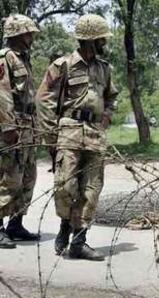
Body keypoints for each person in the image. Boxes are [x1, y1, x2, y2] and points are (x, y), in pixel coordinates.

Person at [36, 14, 118, 261]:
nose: (105, 41)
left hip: (95, 133)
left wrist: (107, 116)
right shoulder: (63, 65)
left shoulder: (104, 68)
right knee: (66, 186)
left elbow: (111, 96)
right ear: (91, 40)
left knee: (91, 188)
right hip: (69, 131)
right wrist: (51, 136)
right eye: (102, 37)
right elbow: (44, 99)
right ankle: (65, 225)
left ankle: (79, 240)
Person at [0, 14, 41, 249]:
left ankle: (16, 224)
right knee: (8, 178)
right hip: (13, 125)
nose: (31, 36)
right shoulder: (5, 59)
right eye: (28, 33)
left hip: (27, 124)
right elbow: (2, 94)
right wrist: (8, 127)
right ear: (16, 34)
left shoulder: (23, 59)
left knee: (28, 176)